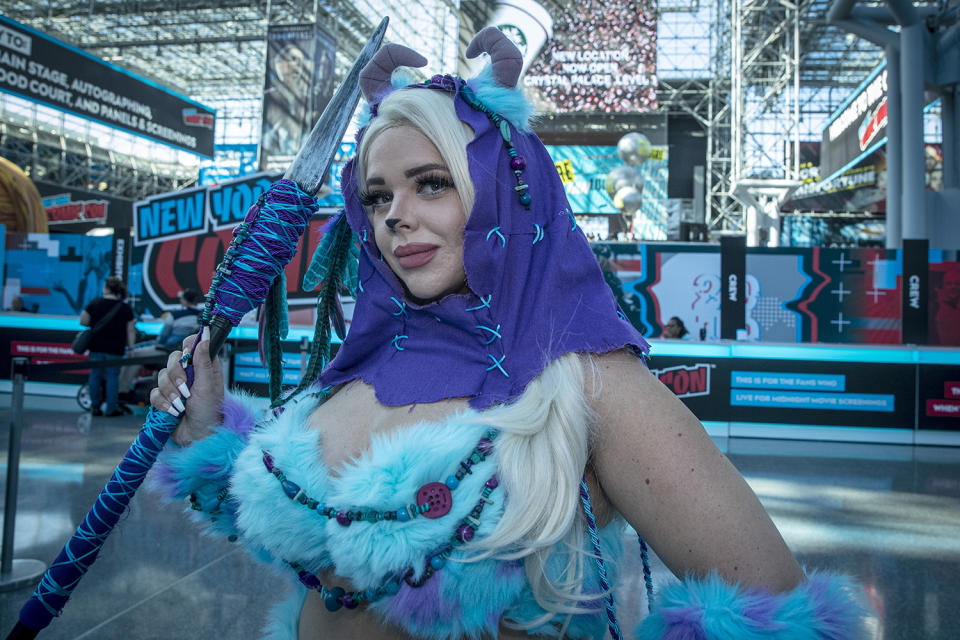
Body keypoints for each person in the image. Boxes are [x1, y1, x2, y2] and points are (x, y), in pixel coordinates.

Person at [149, 30, 867, 640]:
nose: (395, 214)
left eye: (431, 183)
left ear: (503, 191)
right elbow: (322, 554)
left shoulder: (589, 382)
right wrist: (208, 436)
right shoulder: (354, 369)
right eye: (377, 196)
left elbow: (781, 614)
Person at [81, 276, 135, 417]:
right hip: (115, 348)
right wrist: (131, 348)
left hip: (96, 346)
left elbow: (83, 321)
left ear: (106, 288)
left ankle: (95, 407)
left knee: (95, 376)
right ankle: (111, 409)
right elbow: (130, 330)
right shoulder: (125, 308)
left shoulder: (95, 303)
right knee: (112, 377)